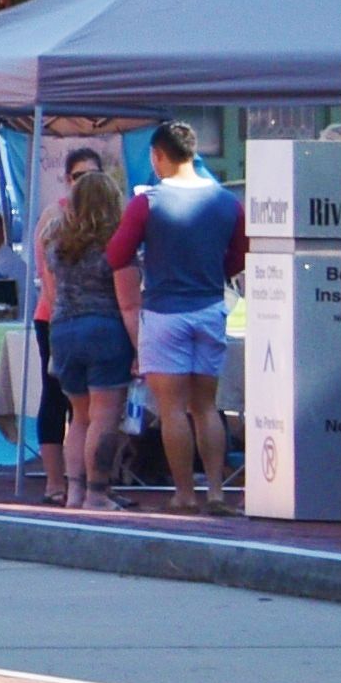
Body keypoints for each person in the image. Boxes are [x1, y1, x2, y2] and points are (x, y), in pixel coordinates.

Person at [117, 120, 243, 505]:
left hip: (164, 311)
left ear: (157, 156)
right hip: (209, 307)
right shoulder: (226, 201)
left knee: (172, 410)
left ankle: (185, 494)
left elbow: (116, 255)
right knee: (206, 406)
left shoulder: (147, 203)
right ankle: (218, 491)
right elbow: (239, 254)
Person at [38, 145, 141, 506]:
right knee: (104, 417)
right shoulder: (117, 245)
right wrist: (140, 349)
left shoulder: (56, 242)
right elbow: (128, 304)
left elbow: (50, 288)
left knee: (78, 419)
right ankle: (98, 492)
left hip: (63, 331)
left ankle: (74, 491)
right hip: (105, 331)